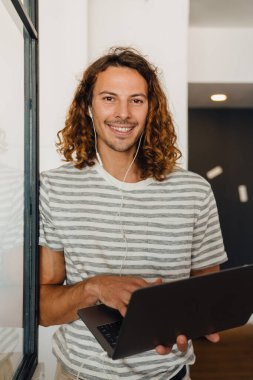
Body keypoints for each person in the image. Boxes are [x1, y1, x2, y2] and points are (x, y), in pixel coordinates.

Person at [39, 47, 227, 380]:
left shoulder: (194, 191)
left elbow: (206, 296)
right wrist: (95, 287)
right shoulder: (54, 188)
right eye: (109, 98)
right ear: (88, 107)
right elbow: (44, 309)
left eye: (136, 100)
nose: (123, 113)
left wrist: (193, 321)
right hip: (79, 374)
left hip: (169, 372)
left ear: (151, 108)